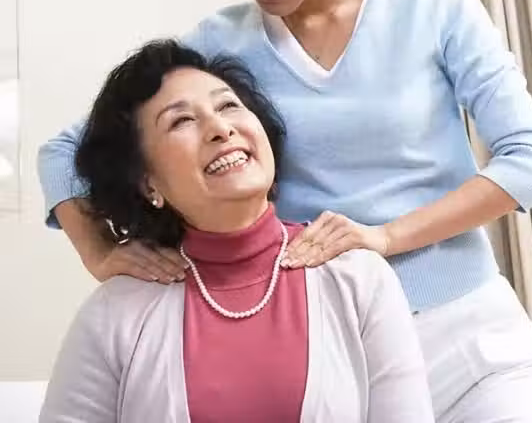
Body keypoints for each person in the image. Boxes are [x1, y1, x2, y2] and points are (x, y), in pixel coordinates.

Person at [37, 0, 532, 420]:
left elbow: (531, 159)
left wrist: (384, 238)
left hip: (470, 338)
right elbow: (64, 152)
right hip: (333, 349)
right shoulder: (219, 46)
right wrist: (99, 253)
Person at [39, 40, 435, 423]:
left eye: (228, 105)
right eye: (181, 121)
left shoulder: (358, 279)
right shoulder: (116, 312)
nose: (220, 128)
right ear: (148, 184)